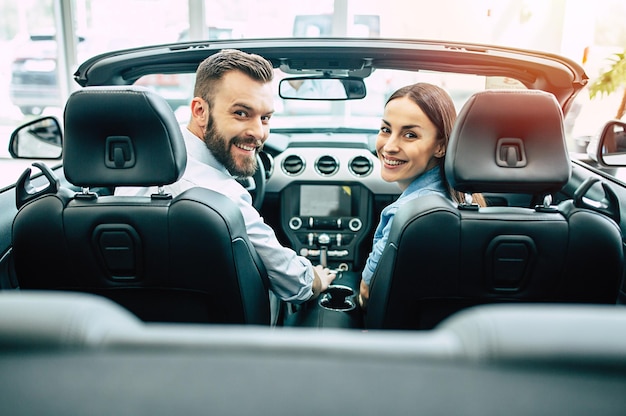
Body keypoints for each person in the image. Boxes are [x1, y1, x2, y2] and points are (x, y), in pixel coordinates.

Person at [116, 49, 336, 305]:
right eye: (241, 113)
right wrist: (317, 278)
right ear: (200, 111)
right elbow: (294, 284)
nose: (258, 133)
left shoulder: (139, 165)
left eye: (265, 118)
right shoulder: (223, 197)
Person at [359, 83, 486, 308]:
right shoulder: (466, 201)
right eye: (386, 130)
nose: (389, 147)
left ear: (441, 146)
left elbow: (368, 293)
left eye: (410, 135)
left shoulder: (404, 215)